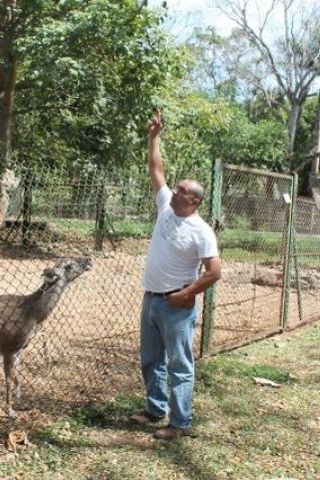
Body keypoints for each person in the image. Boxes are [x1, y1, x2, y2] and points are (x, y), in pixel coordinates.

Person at [130, 109, 222, 440]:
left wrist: (187, 294)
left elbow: (214, 272)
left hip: (177, 305)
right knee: (150, 360)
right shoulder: (165, 206)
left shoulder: (201, 232)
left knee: (179, 365)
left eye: (181, 189)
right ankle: (156, 410)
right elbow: (156, 169)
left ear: (193, 200)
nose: (173, 190)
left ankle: (180, 423)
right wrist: (154, 136)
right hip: (151, 299)